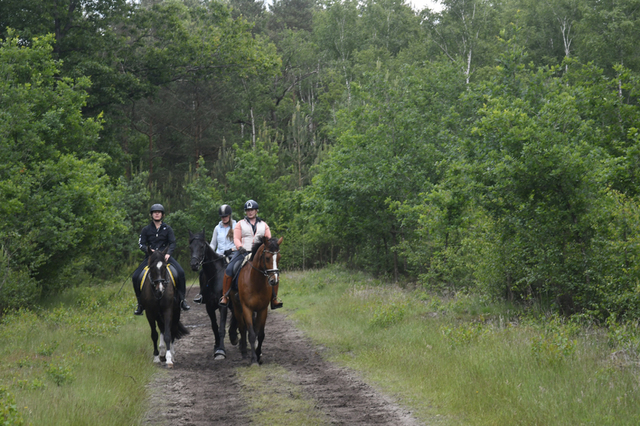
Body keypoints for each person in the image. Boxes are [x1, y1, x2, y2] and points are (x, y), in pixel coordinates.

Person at [219, 199, 283, 309]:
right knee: (229, 269)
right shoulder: (240, 224)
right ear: (246, 212)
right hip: (243, 252)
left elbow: (269, 240)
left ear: (256, 211)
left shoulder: (264, 225)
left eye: (252, 210)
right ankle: (225, 296)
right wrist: (240, 247)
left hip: (259, 254)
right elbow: (236, 238)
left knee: (273, 271)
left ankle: (274, 298)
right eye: (248, 210)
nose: (250, 212)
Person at [132, 203, 191, 315]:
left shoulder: (167, 229)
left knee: (181, 273)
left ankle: (182, 300)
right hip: (151, 258)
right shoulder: (146, 229)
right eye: (155, 212)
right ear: (151, 215)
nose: (157, 214)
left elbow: (172, 243)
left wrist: (168, 253)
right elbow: (141, 244)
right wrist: (150, 252)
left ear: (162, 215)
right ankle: (140, 304)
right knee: (135, 277)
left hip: (165, 257)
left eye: (159, 212)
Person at [193, 204, 237, 304]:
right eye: (222, 217)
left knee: (234, 269)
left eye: (225, 216)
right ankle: (202, 294)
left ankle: (235, 292)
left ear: (229, 215)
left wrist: (232, 249)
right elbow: (213, 244)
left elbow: (240, 242)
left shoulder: (236, 226)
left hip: (232, 254)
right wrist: (208, 254)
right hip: (218, 256)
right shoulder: (217, 228)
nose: (224, 218)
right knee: (203, 272)